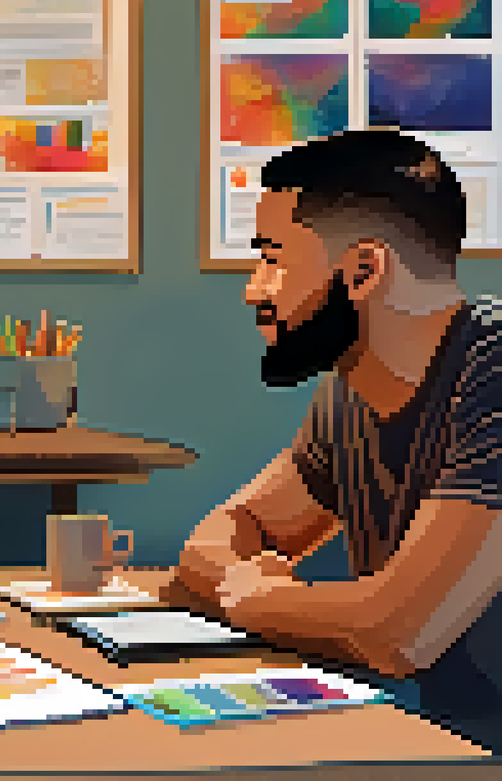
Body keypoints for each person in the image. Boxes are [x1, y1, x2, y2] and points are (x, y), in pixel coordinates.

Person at [165, 129, 502, 751]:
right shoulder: (350, 392)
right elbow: (219, 540)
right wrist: (283, 597)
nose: (253, 290)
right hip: (426, 744)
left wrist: (256, 594)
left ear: (364, 270)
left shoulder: (493, 372)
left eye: (271, 259)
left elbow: (403, 631)